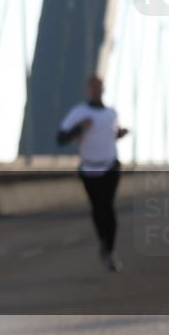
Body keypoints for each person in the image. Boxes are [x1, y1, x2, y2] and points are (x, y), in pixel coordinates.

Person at [57, 75, 129, 272]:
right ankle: (104, 244)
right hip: (89, 169)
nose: (96, 90)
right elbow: (61, 138)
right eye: (92, 87)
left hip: (110, 166)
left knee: (108, 206)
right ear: (87, 89)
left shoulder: (112, 113)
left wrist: (120, 134)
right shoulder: (79, 112)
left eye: (99, 86)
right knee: (98, 209)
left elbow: (109, 135)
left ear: (103, 89)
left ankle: (110, 250)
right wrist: (80, 127)